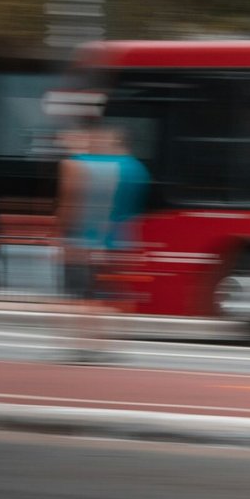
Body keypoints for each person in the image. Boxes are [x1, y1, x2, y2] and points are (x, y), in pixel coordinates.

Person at [56, 124, 148, 362]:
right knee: (114, 292)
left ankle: (88, 343)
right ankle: (114, 341)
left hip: (87, 240)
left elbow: (73, 203)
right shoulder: (137, 169)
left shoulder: (80, 164)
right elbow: (133, 211)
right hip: (121, 240)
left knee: (85, 295)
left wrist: (63, 236)